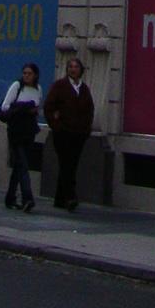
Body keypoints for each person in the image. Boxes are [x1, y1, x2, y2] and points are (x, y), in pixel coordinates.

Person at [43, 55, 94, 212]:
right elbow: (49, 107)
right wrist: (56, 126)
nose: (73, 69)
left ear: (81, 70)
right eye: (70, 67)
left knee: (71, 164)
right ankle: (70, 196)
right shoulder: (60, 86)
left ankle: (60, 198)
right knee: (66, 163)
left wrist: (86, 129)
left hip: (79, 134)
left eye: (76, 67)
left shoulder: (84, 89)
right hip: (63, 133)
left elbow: (89, 110)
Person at [0, 61, 44, 211]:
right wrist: (25, 108)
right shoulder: (17, 86)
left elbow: (39, 107)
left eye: (29, 73)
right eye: (24, 73)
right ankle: (27, 198)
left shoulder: (38, 88)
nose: (26, 76)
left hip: (29, 130)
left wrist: (35, 111)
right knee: (23, 165)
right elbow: (5, 106)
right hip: (16, 129)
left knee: (19, 165)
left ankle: (10, 197)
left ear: (35, 75)